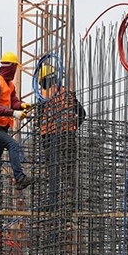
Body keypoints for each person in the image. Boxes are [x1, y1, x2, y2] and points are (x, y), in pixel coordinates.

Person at [0, 51, 36, 214]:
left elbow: (13, 102)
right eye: (15, 68)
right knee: (13, 144)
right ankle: (19, 177)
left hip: (0, 128)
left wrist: (22, 105)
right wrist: (14, 113)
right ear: (11, 67)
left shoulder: (10, 85)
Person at [36, 65, 85, 210]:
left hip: (49, 136)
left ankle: (53, 203)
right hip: (67, 136)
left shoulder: (43, 96)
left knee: (53, 170)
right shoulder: (68, 93)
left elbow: (39, 119)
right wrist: (73, 127)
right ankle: (71, 203)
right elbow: (82, 114)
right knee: (69, 170)